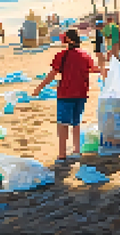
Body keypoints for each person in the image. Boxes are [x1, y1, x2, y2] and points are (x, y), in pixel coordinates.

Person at [32, 29, 100, 162]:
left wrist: (39, 88)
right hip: (82, 93)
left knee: (63, 124)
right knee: (76, 122)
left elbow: (52, 74)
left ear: (68, 40)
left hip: (66, 93)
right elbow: (94, 69)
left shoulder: (62, 55)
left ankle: (62, 154)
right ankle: (76, 151)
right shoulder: (85, 55)